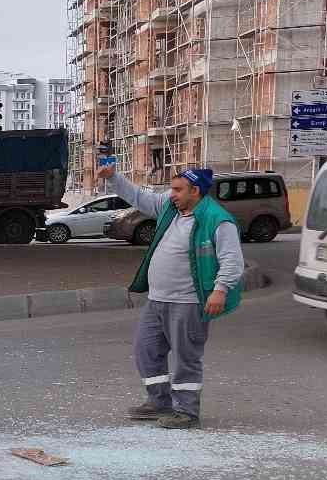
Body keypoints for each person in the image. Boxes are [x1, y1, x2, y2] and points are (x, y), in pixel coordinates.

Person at [97, 163, 244, 429]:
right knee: (147, 350)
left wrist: (220, 291)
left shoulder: (218, 220)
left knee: (187, 357)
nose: (171, 194)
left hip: (188, 302)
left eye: (177, 189)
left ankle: (186, 412)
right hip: (158, 299)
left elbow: (232, 261)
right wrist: (114, 178)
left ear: (195, 191)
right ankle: (159, 402)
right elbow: (141, 198)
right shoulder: (170, 207)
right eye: (171, 189)